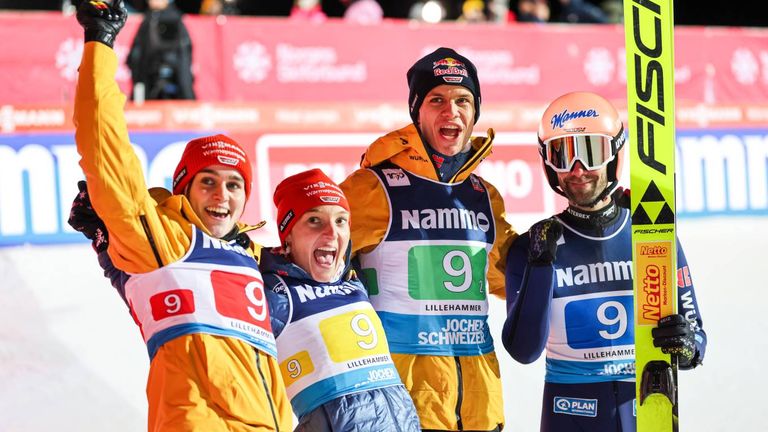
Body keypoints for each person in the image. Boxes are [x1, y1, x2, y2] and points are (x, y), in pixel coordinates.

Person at [71, 1, 292, 430]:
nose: (221, 196)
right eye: (206, 182)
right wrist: (100, 39)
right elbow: (105, 146)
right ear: (183, 191)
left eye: (233, 185)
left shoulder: (255, 257)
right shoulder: (166, 242)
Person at [71, 168, 422, 431]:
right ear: (287, 237)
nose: (331, 232)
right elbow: (174, 291)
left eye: (341, 221)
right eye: (314, 221)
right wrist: (110, 246)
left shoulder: (352, 281)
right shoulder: (273, 292)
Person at [501, 91, 707, 431]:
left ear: (614, 155)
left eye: (590, 153)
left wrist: (687, 347)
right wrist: (540, 267)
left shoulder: (651, 234)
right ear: (547, 162)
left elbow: (695, 332)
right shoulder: (533, 247)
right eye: (563, 155)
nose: (577, 170)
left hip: (646, 406)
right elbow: (524, 351)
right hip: (569, 414)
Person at [339, 47, 517, 432]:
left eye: (463, 101)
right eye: (436, 99)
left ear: (475, 114)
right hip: (399, 406)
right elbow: (312, 261)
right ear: (417, 112)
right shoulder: (372, 187)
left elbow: (513, 275)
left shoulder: (484, 196)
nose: (450, 111)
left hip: (478, 406)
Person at [127, 0, 195, 100]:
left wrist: (187, 94)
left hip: (169, 84)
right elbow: (137, 51)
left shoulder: (173, 19)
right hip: (146, 81)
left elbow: (182, 58)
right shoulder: (148, 19)